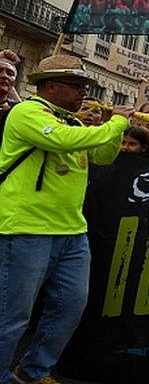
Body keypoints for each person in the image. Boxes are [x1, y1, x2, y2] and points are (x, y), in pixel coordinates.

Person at [0, 54, 132, 384]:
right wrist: (116, 123)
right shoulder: (27, 111)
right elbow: (62, 141)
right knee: (12, 316)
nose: (83, 93)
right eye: (76, 86)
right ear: (51, 86)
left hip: (73, 232)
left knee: (70, 308)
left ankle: (31, 372)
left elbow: (103, 155)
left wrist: (110, 128)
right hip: (27, 228)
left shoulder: (72, 121)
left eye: (85, 87)